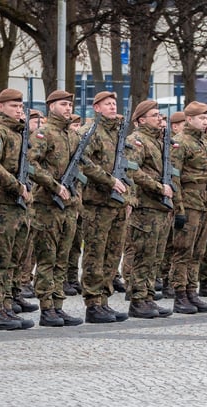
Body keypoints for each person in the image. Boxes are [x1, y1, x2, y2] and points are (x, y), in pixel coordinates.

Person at [27, 89, 84, 327]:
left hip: (69, 207)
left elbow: (83, 165)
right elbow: (31, 164)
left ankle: (58, 305)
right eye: (62, 104)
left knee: (63, 258)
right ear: (51, 107)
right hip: (47, 205)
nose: (68, 108)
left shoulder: (72, 136)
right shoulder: (43, 134)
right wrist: (54, 185)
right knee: (47, 259)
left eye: (69, 105)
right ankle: (46, 308)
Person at [0, 88, 36, 331]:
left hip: (20, 206)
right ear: (1, 107)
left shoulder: (20, 134)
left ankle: (6, 304)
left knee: (15, 260)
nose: (18, 110)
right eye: (13, 106)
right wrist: (15, 185)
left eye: (20, 106)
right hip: (3, 203)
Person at [79, 91, 131, 323]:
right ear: (96, 108)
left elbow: (127, 168)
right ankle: (92, 302)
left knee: (112, 254)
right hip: (97, 203)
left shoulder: (118, 134)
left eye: (114, 103)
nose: (112, 106)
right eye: (106, 104)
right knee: (95, 254)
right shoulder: (92, 132)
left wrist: (128, 198)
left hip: (117, 204)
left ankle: (104, 299)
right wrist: (109, 181)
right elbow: (84, 162)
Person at [124, 99, 174, 318]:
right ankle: (137, 299)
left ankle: (148, 297)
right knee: (143, 255)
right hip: (145, 206)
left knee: (155, 257)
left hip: (160, 208)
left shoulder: (159, 141)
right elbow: (132, 171)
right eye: (155, 116)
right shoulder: (136, 141)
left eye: (160, 116)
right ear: (141, 119)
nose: (160, 119)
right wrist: (158, 187)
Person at [169, 101, 207, 313]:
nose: (205, 121)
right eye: (201, 118)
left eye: (206, 118)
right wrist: (178, 208)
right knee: (183, 251)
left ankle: (191, 291)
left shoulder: (204, 143)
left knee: (198, 251)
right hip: (188, 203)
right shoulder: (180, 143)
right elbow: (174, 177)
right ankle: (180, 294)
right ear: (189, 119)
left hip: (204, 202)